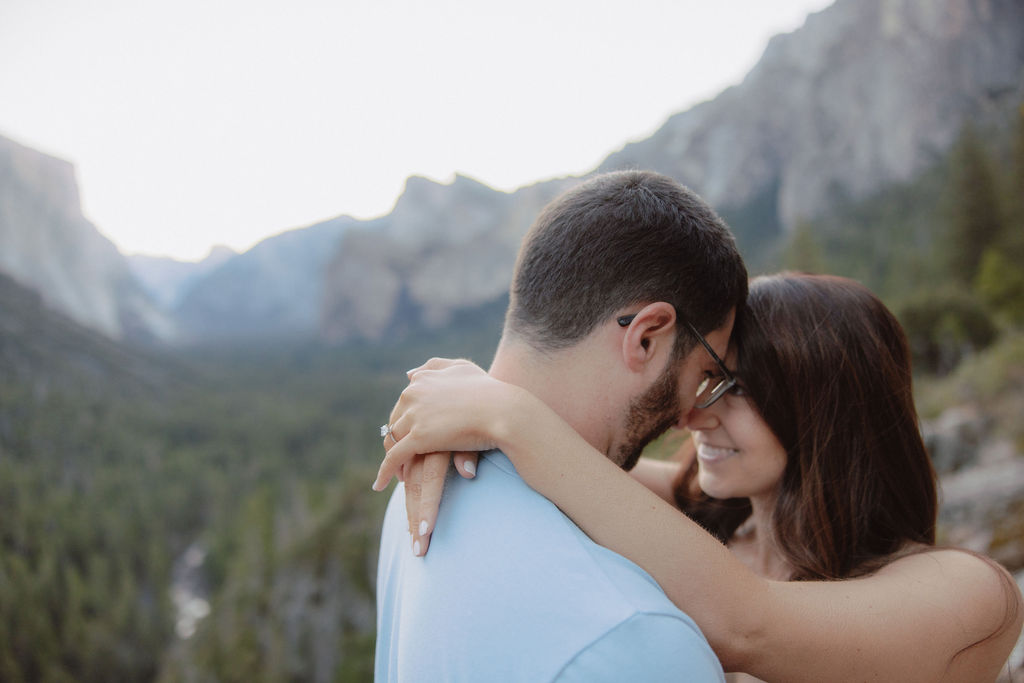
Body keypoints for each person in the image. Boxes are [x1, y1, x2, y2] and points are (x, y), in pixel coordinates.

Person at [376, 273, 1024, 682]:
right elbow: (575, 464)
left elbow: (748, 624)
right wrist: (455, 397)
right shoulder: (709, 518)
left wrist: (505, 411)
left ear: (828, 408)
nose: (693, 413)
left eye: (732, 387)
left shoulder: (970, 595)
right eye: (704, 381)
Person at [373, 170, 749, 681]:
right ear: (645, 336)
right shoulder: (637, 638)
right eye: (709, 373)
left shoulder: (418, 485)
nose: (693, 415)